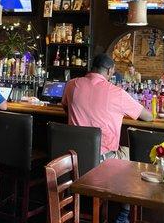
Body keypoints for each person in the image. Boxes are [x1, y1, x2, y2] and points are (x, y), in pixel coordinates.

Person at [62, 53, 152, 223]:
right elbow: (147, 116)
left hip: (70, 159)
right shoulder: (117, 92)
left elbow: (66, 107)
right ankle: (124, 214)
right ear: (110, 71)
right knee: (136, 158)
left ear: (92, 67)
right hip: (102, 163)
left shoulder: (72, 85)